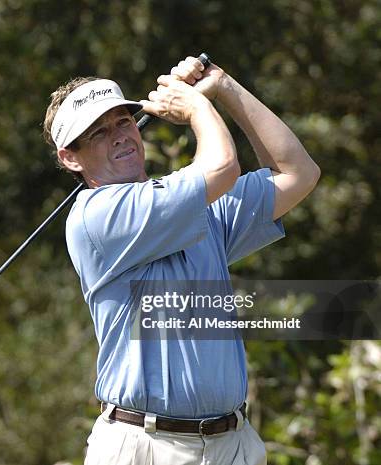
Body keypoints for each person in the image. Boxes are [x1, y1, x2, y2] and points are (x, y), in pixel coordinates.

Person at [42, 55, 320, 465]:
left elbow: (297, 172)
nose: (119, 136)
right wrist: (195, 107)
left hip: (233, 442)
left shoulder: (192, 206)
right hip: (145, 446)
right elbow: (223, 167)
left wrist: (224, 86)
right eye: (98, 133)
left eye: (123, 121)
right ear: (70, 158)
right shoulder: (96, 215)